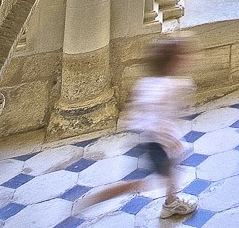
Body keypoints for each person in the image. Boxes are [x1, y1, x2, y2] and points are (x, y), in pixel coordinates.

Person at [73, 35, 199, 220]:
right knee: (141, 183)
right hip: (157, 142)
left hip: (145, 138)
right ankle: (96, 199)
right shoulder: (173, 86)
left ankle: (171, 202)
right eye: (182, 55)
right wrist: (171, 143)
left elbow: (139, 112)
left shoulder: (147, 83)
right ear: (174, 61)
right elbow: (160, 121)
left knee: (164, 175)